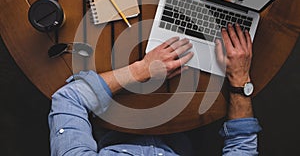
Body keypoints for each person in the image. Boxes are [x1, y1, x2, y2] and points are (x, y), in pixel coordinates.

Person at [48, 23, 261, 155]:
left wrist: (142, 70)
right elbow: (241, 147)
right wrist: (239, 77)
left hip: (113, 125)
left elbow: (68, 99)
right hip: (190, 133)